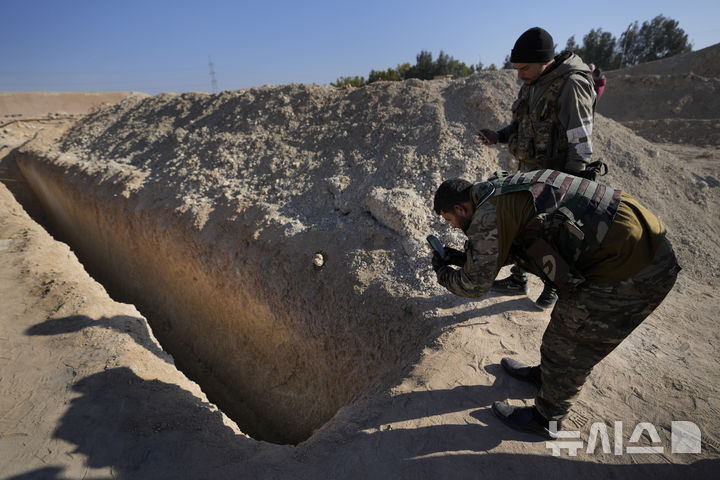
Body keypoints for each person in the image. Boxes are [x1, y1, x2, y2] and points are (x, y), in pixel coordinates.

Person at [430, 170, 680, 439]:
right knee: (560, 334)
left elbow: (474, 285)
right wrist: (464, 257)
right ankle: (547, 378)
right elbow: (515, 242)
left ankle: (546, 419)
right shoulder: (498, 190)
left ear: (460, 207)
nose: (453, 226)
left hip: (633, 268)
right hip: (631, 243)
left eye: (450, 219)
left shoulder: (486, 215)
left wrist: (443, 272)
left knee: (571, 344)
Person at [477, 27, 600, 310]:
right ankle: (518, 278)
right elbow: (522, 124)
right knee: (524, 227)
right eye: (517, 68)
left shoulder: (571, 83)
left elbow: (581, 139)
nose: (519, 74)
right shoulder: (533, 82)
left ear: (545, 60)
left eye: (524, 67)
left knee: (554, 233)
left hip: (557, 177)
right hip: (528, 172)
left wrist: (571, 184)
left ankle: (553, 286)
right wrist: (500, 135)